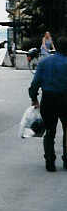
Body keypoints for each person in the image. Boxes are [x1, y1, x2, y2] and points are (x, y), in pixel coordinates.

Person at [28, 34, 67, 172]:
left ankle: (50, 161)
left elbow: (35, 84)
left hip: (48, 100)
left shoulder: (44, 63)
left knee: (50, 131)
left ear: (56, 47)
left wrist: (34, 99)